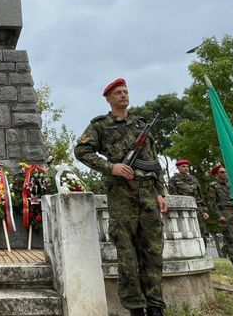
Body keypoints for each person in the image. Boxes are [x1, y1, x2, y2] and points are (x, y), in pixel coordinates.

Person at [74, 78, 168, 316]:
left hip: (148, 196)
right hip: (121, 196)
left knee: (153, 252)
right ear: (108, 98)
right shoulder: (100, 125)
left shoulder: (141, 125)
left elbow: (154, 162)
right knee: (127, 256)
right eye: (118, 93)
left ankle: (156, 306)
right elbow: (81, 151)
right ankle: (136, 307)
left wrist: (160, 192)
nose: (124, 96)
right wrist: (111, 167)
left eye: (126, 92)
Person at [168, 159, 209, 245]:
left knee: (202, 231)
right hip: (184, 209)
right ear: (178, 168)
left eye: (187, 166)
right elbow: (174, 195)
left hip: (198, 208)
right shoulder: (174, 179)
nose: (186, 168)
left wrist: (205, 210)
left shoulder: (194, 179)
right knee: (188, 230)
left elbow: (200, 194)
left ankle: (203, 250)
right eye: (183, 167)